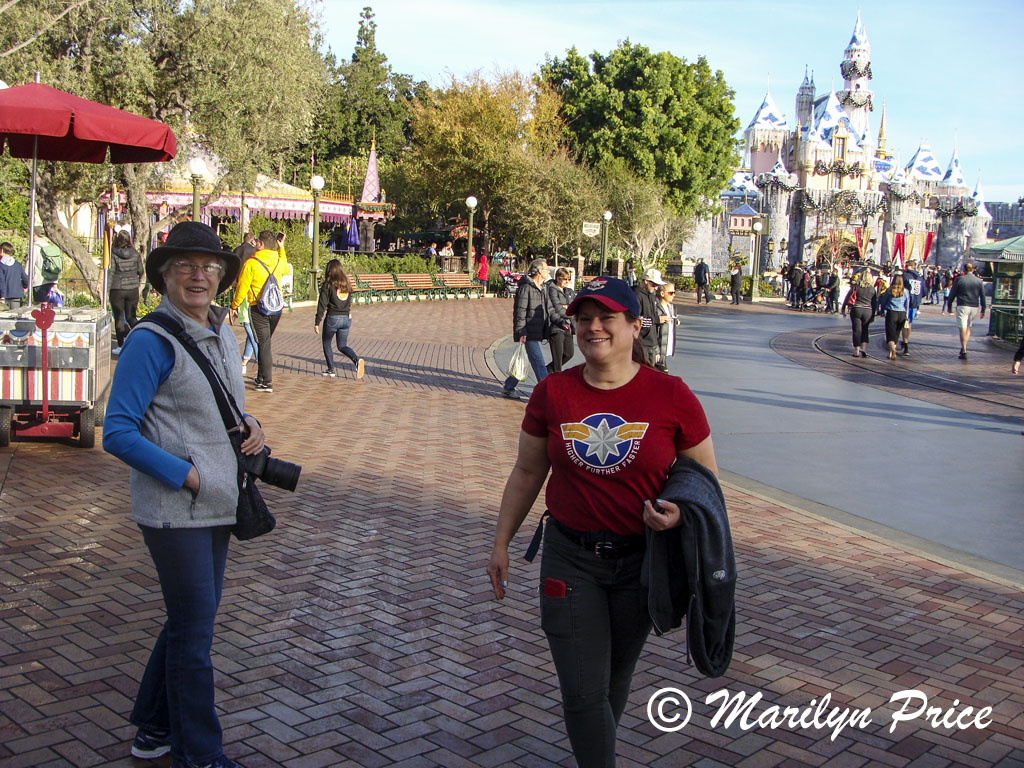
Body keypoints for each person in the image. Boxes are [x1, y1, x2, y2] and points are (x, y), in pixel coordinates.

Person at [487, 276, 718, 768]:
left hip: (642, 565)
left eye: (607, 318)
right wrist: (501, 542)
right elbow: (528, 471)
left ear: (636, 326)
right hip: (569, 560)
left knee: (611, 681)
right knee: (582, 688)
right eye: (584, 318)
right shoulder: (553, 392)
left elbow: (704, 483)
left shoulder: (672, 395)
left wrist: (679, 514)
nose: (593, 328)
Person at [103, 221, 263, 768]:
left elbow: (221, 405)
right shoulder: (152, 341)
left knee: (189, 619)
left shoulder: (221, 330)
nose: (199, 275)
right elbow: (117, 431)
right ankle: (201, 754)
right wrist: (186, 475)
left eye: (209, 266)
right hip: (177, 508)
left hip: (217, 501)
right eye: (186, 266)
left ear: (221, 276)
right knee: (195, 630)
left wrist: (251, 422)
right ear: (165, 276)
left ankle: (154, 728)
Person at [230, 230, 289, 393]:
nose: (255, 244)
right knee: (265, 342)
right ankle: (261, 377)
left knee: (264, 344)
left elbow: (242, 288)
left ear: (261, 244)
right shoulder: (278, 260)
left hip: (258, 307)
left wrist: (234, 306)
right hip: (276, 308)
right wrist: (282, 248)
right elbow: (285, 268)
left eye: (257, 242)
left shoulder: (252, 263)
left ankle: (266, 381)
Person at [501, 258, 550, 400]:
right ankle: (547, 393)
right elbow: (520, 311)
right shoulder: (526, 288)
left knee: (525, 359)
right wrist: (521, 331)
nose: (548, 271)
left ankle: (509, 387)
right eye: (546, 269)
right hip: (528, 332)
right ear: (539, 271)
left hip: (537, 331)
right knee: (538, 361)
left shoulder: (543, 287)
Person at [314, 259, 365, 379]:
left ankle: (331, 369)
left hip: (333, 318)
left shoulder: (328, 285)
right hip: (346, 318)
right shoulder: (346, 284)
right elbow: (349, 301)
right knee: (342, 345)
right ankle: (356, 360)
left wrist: (317, 322)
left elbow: (322, 304)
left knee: (327, 342)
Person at [109, 230, 145, 351]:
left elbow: (112, 271)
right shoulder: (135, 254)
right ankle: (141, 340)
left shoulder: (113, 253)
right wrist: (136, 280)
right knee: (132, 317)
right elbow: (141, 271)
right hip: (132, 288)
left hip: (117, 288)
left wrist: (107, 288)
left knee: (119, 318)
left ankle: (120, 345)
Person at [949, 262, 986, 360]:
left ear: (964, 270)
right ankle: (964, 346)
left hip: (962, 305)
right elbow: (982, 295)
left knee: (962, 328)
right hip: (974, 306)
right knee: (968, 327)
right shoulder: (978, 281)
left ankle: (964, 349)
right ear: (973, 269)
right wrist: (983, 308)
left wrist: (949, 305)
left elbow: (952, 293)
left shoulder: (959, 279)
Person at [545, 267, 576, 373]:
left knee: (569, 353)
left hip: (568, 326)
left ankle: (547, 370)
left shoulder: (569, 291)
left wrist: (567, 307)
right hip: (556, 326)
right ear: (558, 278)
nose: (567, 281)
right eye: (565, 279)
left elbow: (575, 307)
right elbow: (557, 309)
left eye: (568, 279)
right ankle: (556, 382)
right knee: (557, 358)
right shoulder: (552, 290)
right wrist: (568, 309)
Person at [633, 268, 665, 365]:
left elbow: (654, 321)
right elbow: (635, 319)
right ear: (646, 281)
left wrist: (656, 348)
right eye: (654, 284)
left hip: (652, 345)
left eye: (657, 285)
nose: (656, 288)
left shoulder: (652, 296)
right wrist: (657, 319)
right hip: (641, 344)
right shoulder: (636, 295)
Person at [845, 269, 877, 357]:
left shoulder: (856, 287)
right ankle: (864, 349)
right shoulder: (872, 289)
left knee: (856, 330)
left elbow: (848, 297)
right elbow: (874, 303)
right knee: (865, 330)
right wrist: (873, 315)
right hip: (868, 310)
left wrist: (843, 308)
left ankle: (857, 350)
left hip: (857, 309)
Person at [879, 274, 909, 360]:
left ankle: (893, 350)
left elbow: (884, 301)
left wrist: (882, 310)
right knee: (896, 334)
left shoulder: (889, 290)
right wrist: (906, 315)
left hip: (892, 312)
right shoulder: (905, 291)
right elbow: (907, 304)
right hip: (902, 313)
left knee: (890, 334)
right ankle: (891, 353)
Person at [899, 260, 923, 355]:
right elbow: (924, 291)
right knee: (909, 323)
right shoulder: (920, 277)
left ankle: (905, 343)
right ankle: (906, 340)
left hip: (905, 302)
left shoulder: (905, 276)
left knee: (905, 323)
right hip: (914, 303)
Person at [655, 281, 679, 371]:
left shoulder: (671, 307)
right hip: (659, 349)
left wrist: (675, 321)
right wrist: (656, 350)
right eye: (671, 293)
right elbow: (653, 331)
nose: (673, 295)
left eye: (674, 292)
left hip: (666, 347)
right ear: (662, 293)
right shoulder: (656, 308)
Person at [0, 242, 29, 309]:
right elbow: (25, 278)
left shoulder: (1, 265)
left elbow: (1, 281)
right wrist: (25, 286)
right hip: (16, 294)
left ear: (1, 250)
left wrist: (2, 296)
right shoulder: (17, 264)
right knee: (15, 315)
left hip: (5, 295)